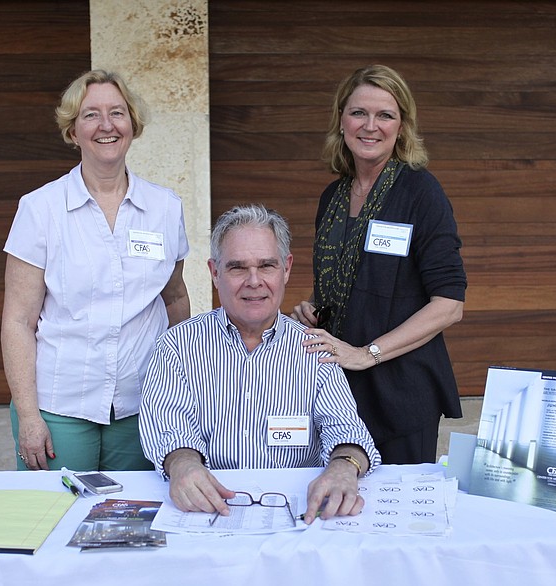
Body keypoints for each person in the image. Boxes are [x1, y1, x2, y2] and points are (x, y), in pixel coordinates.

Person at [139, 204, 381, 525]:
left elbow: (347, 429)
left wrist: (343, 467)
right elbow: (170, 426)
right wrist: (183, 464)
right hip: (209, 509)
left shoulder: (314, 347)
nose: (254, 281)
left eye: (266, 265)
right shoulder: (177, 346)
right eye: (238, 267)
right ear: (214, 272)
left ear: (286, 269)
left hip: (297, 512)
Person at [1, 69, 191, 472]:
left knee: (134, 522)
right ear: (72, 131)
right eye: (91, 115)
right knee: (55, 519)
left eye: (117, 113)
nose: (106, 125)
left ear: (133, 126)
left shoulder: (165, 208)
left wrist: (178, 386)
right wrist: (29, 416)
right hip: (59, 405)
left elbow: (175, 298)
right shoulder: (40, 209)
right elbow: (18, 321)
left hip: (143, 403)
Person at [291, 64, 467, 465]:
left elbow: (449, 304)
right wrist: (312, 309)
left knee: (394, 512)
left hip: (401, 393)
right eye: (359, 113)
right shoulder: (332, 198)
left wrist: (365, 353)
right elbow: (345, 283)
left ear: (402, 126)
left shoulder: (421, 192)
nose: (371, 126)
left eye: (385, 115)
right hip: (338, 391)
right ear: (341, 120)